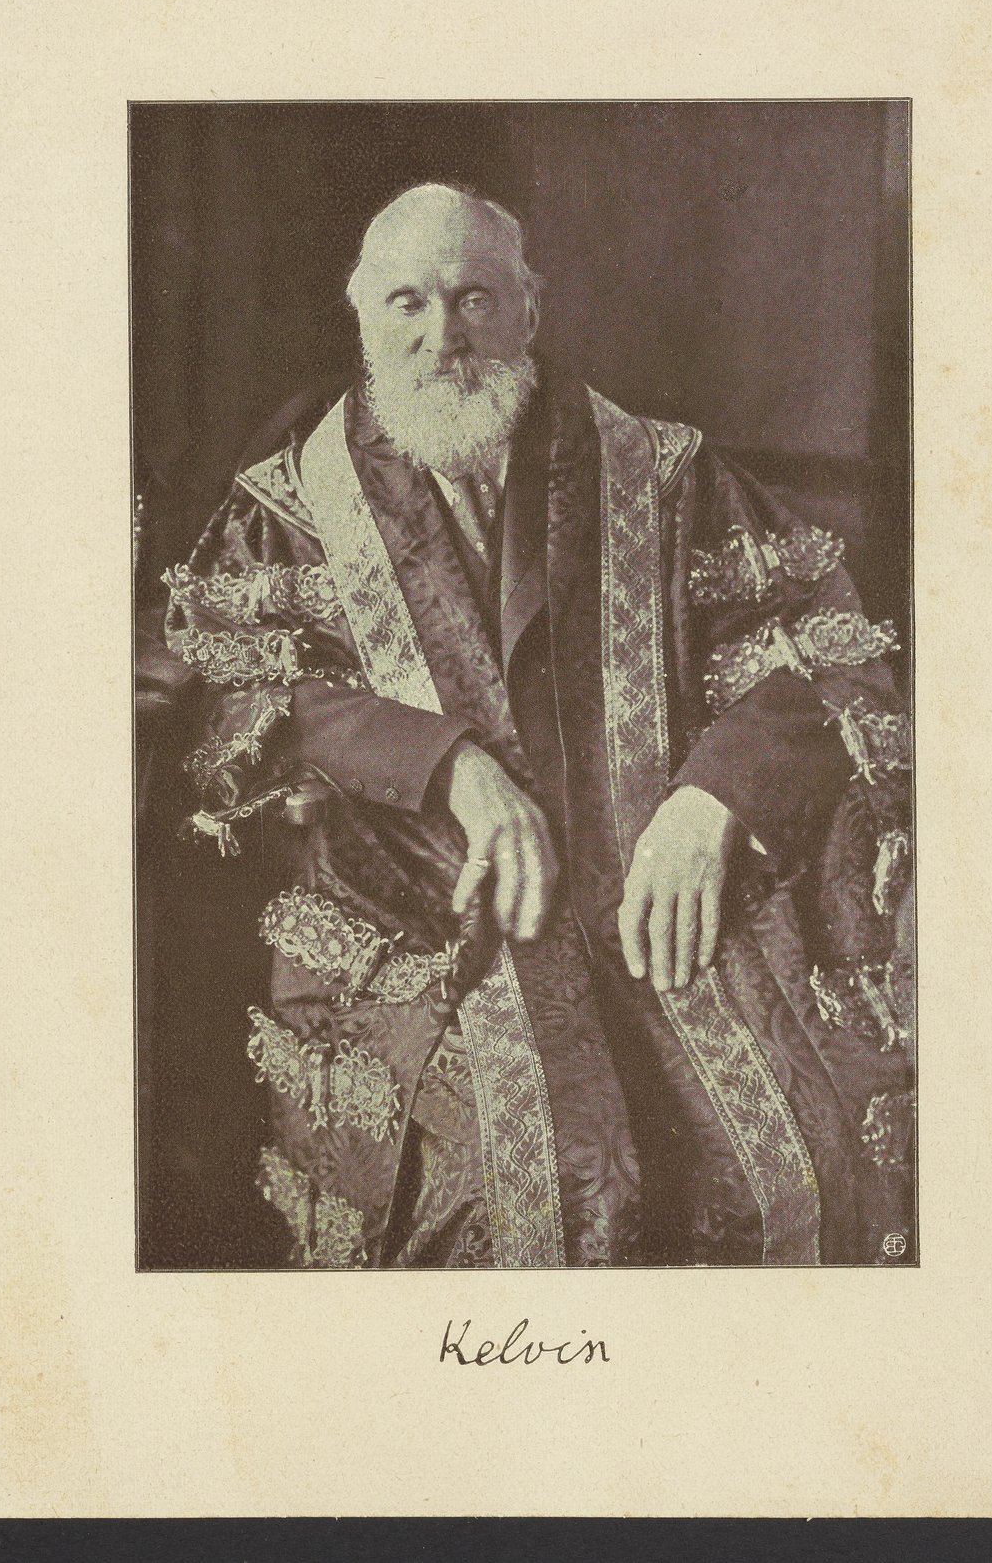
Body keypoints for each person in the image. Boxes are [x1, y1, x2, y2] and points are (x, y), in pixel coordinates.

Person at [155, 182, 915, 1269]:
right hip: (424, 906)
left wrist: (713, 800)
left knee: (793, 1164)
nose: (442, 335)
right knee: (531, 1195)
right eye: (408, 302)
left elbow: (825, 643)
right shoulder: (291, 504)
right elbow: (243, 688)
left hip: (658, 893)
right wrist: (446, 765)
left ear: (530, 309)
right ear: (361, 313)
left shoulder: (661, 471)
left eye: (474, 298)